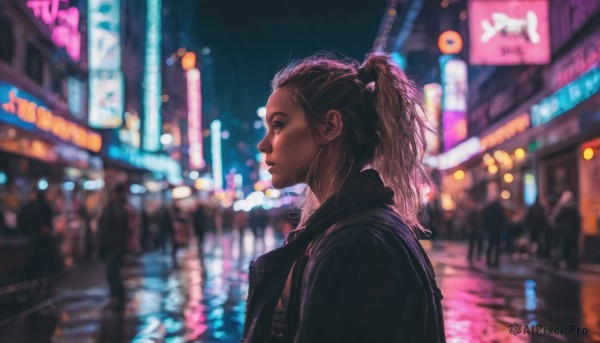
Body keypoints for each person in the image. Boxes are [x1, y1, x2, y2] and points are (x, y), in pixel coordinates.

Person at [243, 53, 445, 342]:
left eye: (278, 125)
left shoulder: (356, 245)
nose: (264, 145)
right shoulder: (345, 231)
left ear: (330, 127)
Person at [97, 184, 134, 311]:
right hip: (118, 247)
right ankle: (118, 300)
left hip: (111, 247)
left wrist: (101, 246)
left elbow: (104, 230)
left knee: (113, 275)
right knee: (114, 274)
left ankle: (118, 301)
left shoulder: (112, 208)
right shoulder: (123, 208)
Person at [552, 191, 581, 270]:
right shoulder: (574, 208)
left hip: (564, 232)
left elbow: (555, 219)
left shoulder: (562, 209)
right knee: (572, 248)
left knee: (564, 248)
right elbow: (578, 220)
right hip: (572, 232)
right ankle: (573, 264)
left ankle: (565, 262)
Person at [482, 184, 507, 269]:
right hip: (497, 230)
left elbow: (485, 218)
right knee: (497, 246)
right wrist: (502, 227)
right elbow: (503, 219)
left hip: (491, 229)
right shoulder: (499, 208)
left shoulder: (488, 208)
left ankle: (489, 262)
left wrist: (487, 227)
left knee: (490, 246)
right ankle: (496, 263)